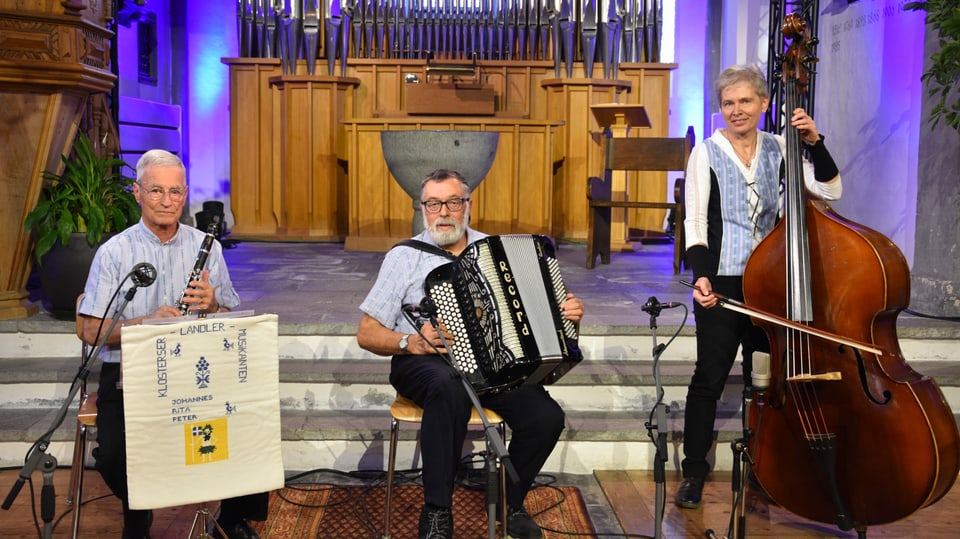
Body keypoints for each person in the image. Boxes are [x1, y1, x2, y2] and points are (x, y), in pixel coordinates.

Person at [356, 169, 584, 539]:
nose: (443, 212)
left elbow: (535, 309)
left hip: (494, 366)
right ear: (423, 208)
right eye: (433, 203)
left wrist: (567, 314)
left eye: (452, 202)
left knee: (546, 417)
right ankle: (437, 511)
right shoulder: (404, 257)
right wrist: (409, 342)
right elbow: (366, 333)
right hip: (425, 361)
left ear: (468, 206)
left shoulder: (496, 252)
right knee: (449, 385)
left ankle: (509, 503)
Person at [77, 150, 268, 539]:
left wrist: (212, 304)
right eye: (156, 191)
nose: (167, 201)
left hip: (197, 369)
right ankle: (138, 512)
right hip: (131, 372)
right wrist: (144, 324)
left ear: (185, 195)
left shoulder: (207, 246)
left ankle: (231, 519)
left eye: (176, 192)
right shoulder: (114, 252)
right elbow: (88, 329)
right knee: (112, 457)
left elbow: (231, 309)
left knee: (250, 419)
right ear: (137, 193)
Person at [676, 65, 843, 509]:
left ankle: (762, 473)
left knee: (764, 382)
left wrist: (814, 142)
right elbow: (695, 220)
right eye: (728, 103)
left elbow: (829, 190)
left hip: (771, 285)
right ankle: (694, 472)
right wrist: (701, 275)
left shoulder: (780, 146)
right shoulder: (706, 153)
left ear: (764, 104)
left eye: (745, 101)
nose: (736, 110)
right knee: (709, 378)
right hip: (724, 283)